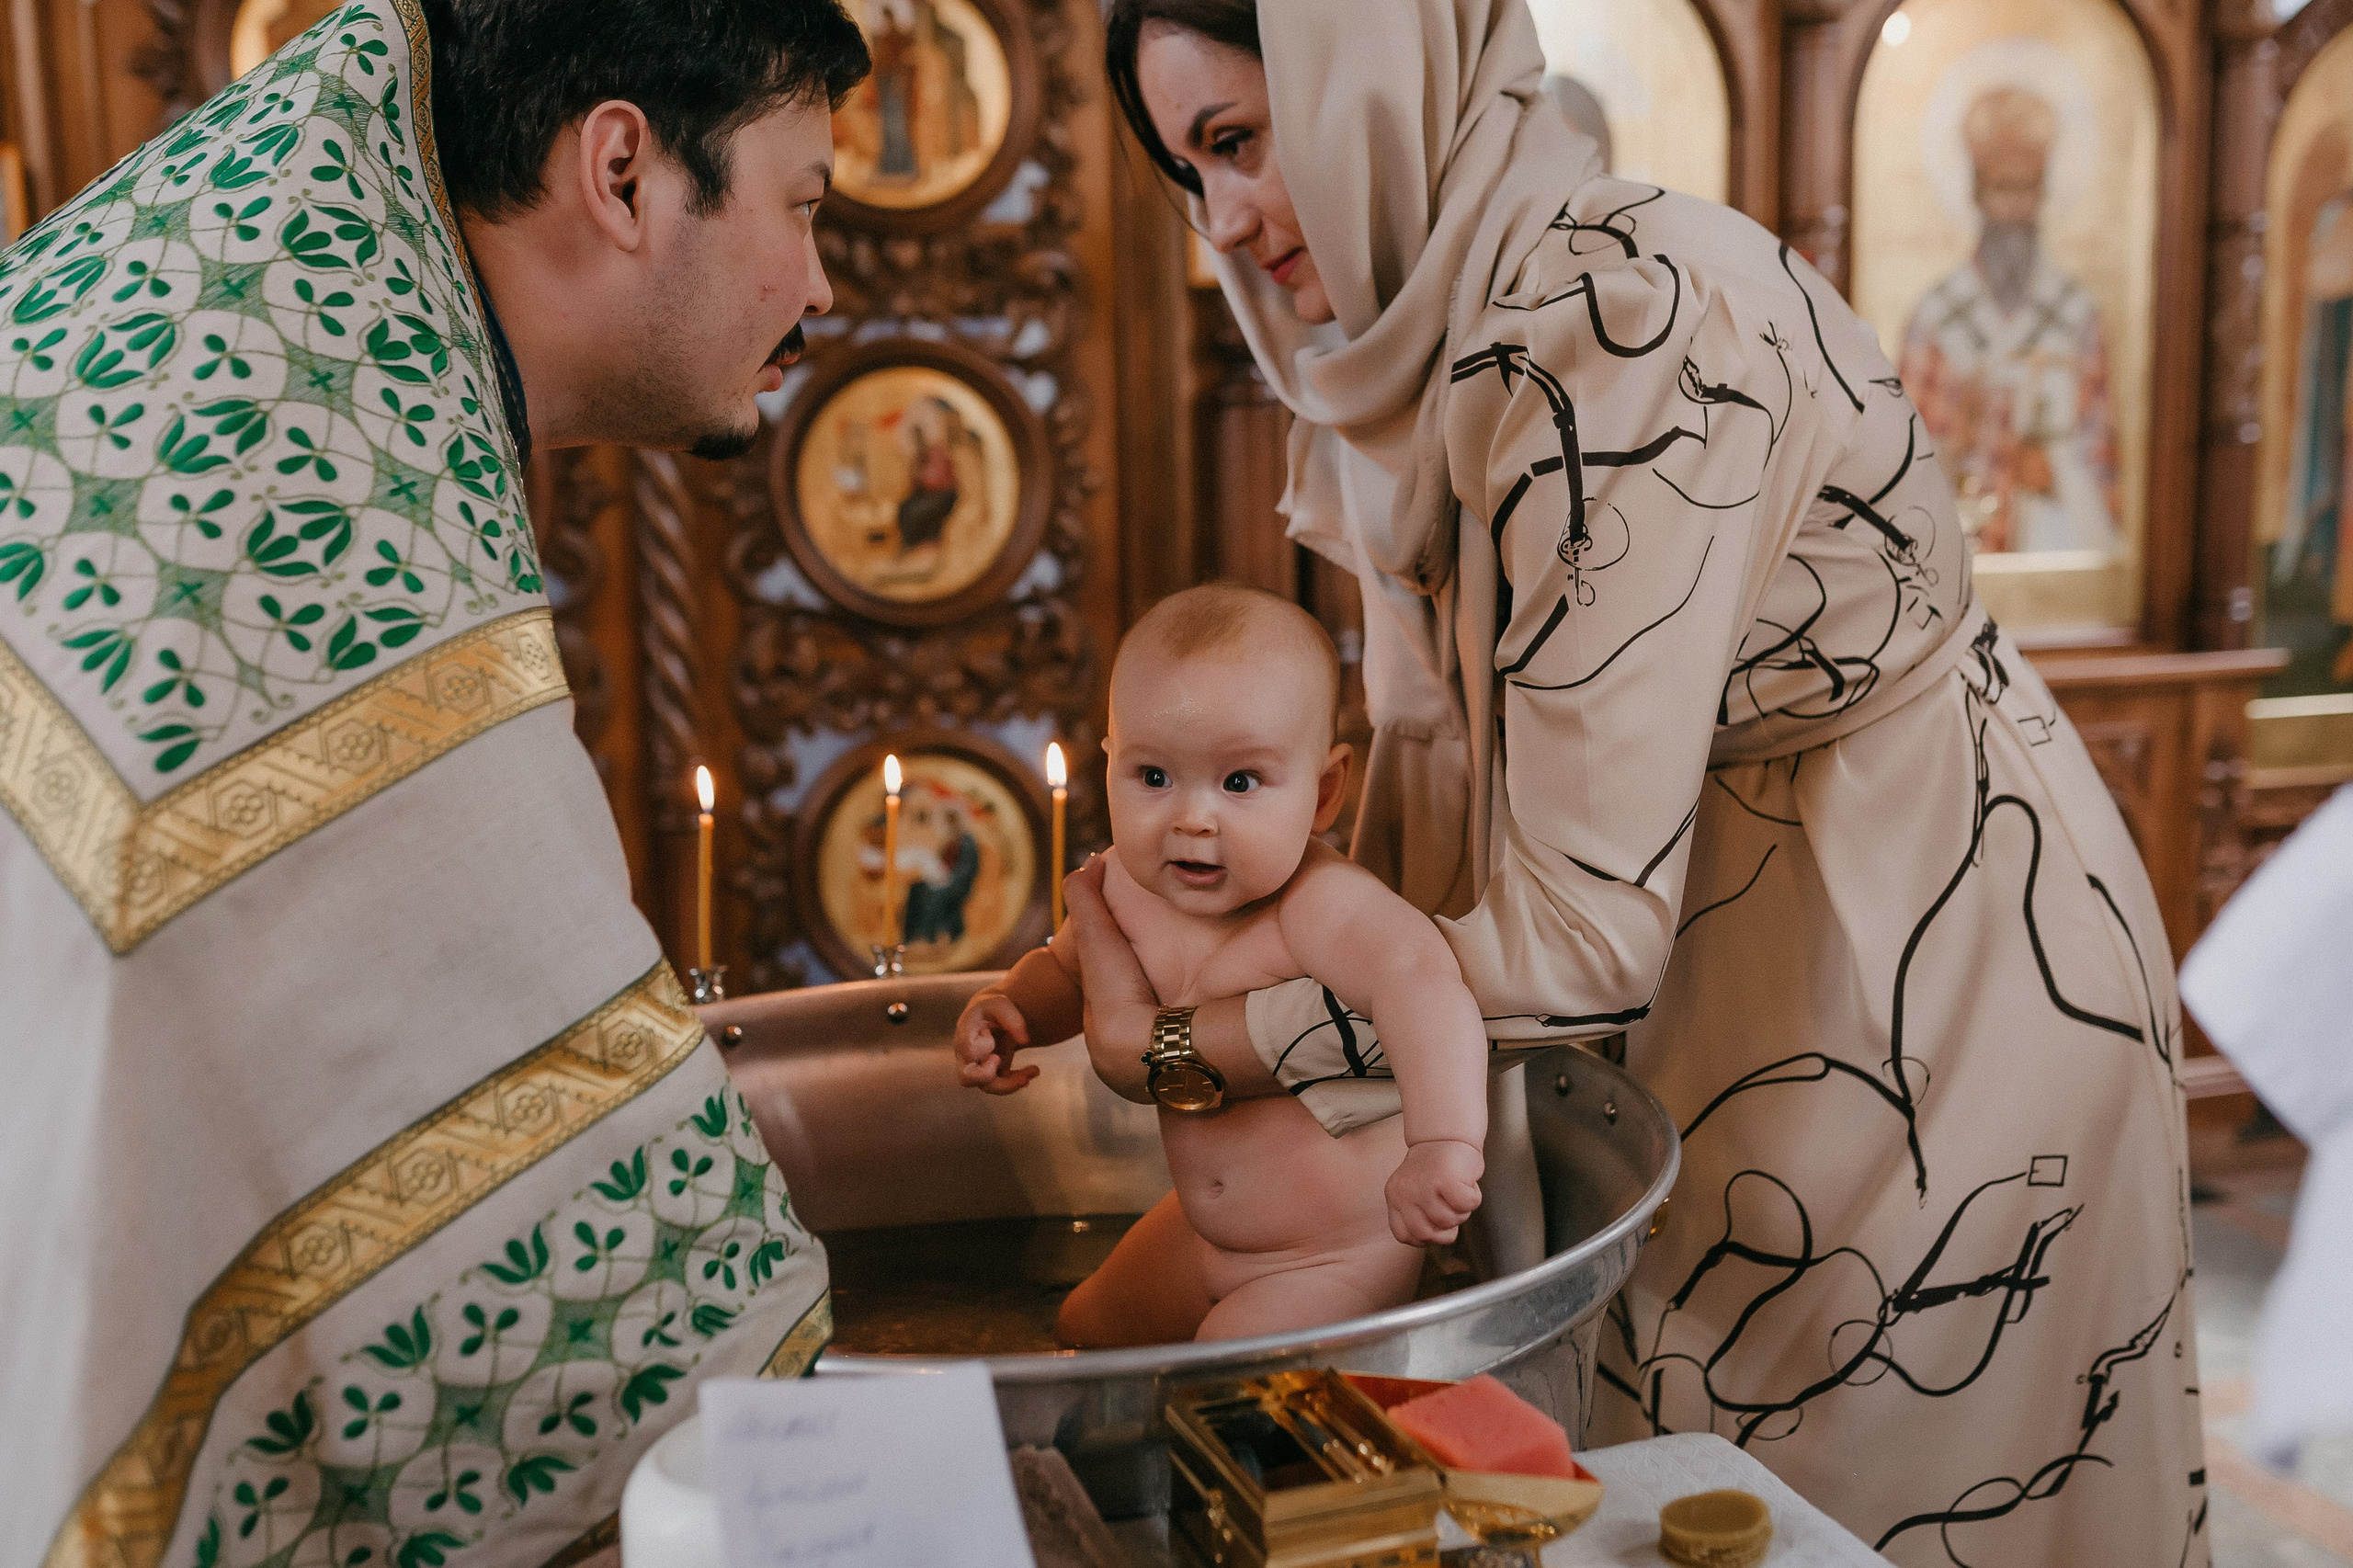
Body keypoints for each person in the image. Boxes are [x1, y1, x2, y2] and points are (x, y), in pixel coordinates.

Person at [1074, 3, 2206, 1564]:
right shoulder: (1418, 328)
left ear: (1370, 85)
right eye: (1189, 170)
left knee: (1848, 1496)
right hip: (1702, 963)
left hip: (1908, 972)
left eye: (1240, 142)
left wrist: (1198, 1041)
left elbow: (1577, 935)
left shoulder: (1612, 331)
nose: (1228, 221)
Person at [0, 4, 865, 1565]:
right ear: (623, 172)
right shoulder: (326, 452)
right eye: (802, 204)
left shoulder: (282, 314)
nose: (820, 283)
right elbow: (629, 1304)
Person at [954, 585, 1489, 1343]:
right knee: (1083, 1330)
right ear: (1108, 768)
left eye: (1239, 782)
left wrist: (1442, 1144)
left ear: (1324, 791)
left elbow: (1423, 984)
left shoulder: (1318, 903)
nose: (1192, 818)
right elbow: (1065, 970)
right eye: (1153, 778)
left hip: (1331, 1256)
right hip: (1202, 1234)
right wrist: (1009, 1008)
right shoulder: (1124, 888)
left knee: (1225, 1377)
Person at [1899, 85, 2122, 556]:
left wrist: (2057, 471)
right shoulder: (1937, 316)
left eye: (2028, 188)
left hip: (2051, 543)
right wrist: (1960, 433)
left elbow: (2100, 455)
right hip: (1957, 546)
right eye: (2003, 188)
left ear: (2043, 194)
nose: (2016, 208)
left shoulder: (2075, 314)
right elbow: (1905, 457)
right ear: (1977, 194)